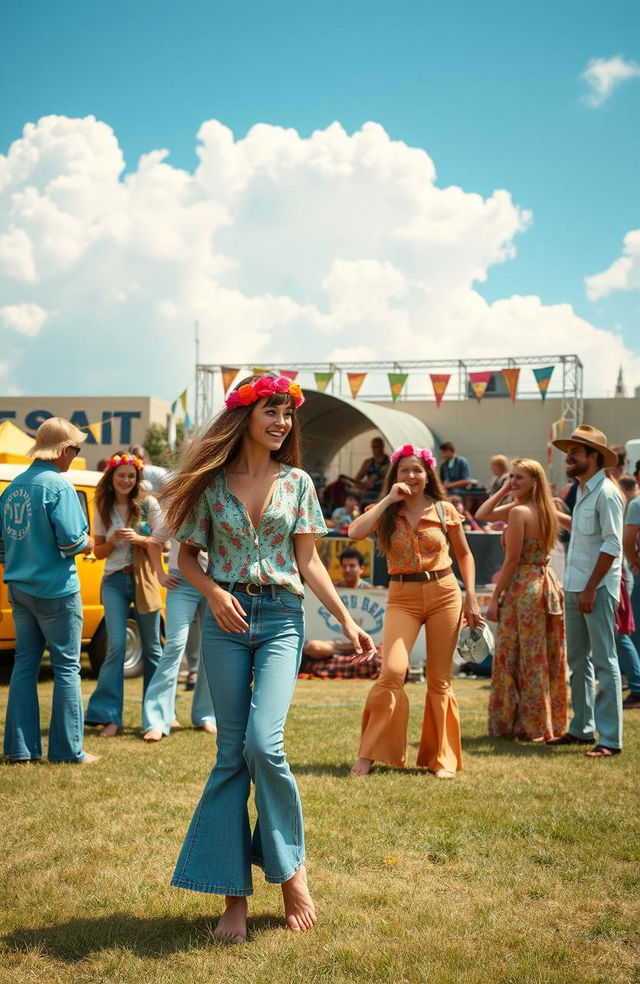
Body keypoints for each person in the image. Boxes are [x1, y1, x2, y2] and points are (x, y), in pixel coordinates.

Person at [161, 373, 376, 942]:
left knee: (265, 744)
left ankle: (291, 873)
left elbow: (309, 563)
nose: (282, 424)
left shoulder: (299, 482)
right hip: (227, 621)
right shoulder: (211, 486)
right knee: (231, 756)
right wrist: (211, 591)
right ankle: (234, 896)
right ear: (246, 418)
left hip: (281, 618)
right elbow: (185, 559)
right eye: (272, 413)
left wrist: (348, 621)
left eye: (287, 415)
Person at [349, 443, 483, 780]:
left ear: (428, 475)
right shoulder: (384, 510)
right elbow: (354, 533)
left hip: (445, 593)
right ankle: (369, 754)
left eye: (417, 469)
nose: (411, 475)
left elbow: (464, 555)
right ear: (395, 475)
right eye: (404, 469)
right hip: (402, 595)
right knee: (392, 671)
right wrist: (388, 500)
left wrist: (471, 596)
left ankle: (442, 758)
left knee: (440, 680)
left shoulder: (445, 509)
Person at [0, 417, 99, 764]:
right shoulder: (58, 486)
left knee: (24, 665)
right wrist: (89, 542)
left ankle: (19, 750)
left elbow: (1, 548)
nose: (75, 455)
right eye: (75, 448)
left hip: (19, 589)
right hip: (56, 589)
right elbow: (72, 541)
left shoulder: (11, 488)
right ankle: (68, 752)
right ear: (61, 449)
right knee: (67, 668)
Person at [475, 459, 567, 742]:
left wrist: (495, 599)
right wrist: (505, 491)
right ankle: (543, 723)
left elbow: (512, 559)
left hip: (523, 589)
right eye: (510, 477)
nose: (512, 482)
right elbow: (483, 514)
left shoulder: (519, 513)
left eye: (519, 478)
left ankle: (522, 724)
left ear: (534, 483)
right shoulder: (545, 509)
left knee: (517, 657)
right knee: (542, 657)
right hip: (546, 584)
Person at [548, 425, 624, 757]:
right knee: (579, 660)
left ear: (593, 457)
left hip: (597, 588)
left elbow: (612, 545)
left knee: (605, 661)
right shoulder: (582, 491)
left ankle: (609, 740)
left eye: (576, 452)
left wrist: (592, 587)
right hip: (578, 586)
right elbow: (583, 535)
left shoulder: (606, 493)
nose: (569, 457)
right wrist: (557, 515)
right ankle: (582, 729)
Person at [85, 452, 164, 737]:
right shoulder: (103, 505)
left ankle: (155, 718)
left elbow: (162, 541)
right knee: (116, 646)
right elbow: (98, 551)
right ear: (112, 477)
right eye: (121, 475)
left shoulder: (149, 503)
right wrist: (114, 540)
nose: (126, 480)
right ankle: (109, 717)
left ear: (137, 477)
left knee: (153, 648)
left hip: (144, 579)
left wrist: (138, 538)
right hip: (114, 581)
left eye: (131, 476)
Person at [141, 526, 216, 741]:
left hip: (215, 583)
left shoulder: (220, 503)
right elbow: (154, 542)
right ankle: (156, 721)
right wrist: (160, 574)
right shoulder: (180, 508)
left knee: (212, 649)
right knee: (174, 645)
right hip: (181, 582)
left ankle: (206, 716)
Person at [622, 481, 640, 709]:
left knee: (631, 630)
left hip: (636, 571)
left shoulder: (636, 503)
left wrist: (634, 562)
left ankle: (637, 685)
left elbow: (627, 541)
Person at [341, 436, 390, 507]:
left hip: (382, 492)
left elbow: (391, 480)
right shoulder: (368, 462)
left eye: (377, 447)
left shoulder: (389, 463)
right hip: (368, 492)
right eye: (373, 447)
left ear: (382, 447)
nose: (375, 450)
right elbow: (357, 480)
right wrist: (350, 480)